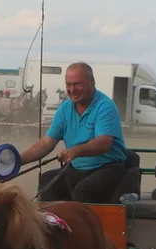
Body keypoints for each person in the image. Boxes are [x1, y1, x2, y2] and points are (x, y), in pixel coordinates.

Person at [18, 62, 130, 203]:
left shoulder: (105, 106)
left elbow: (103, 143)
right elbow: (46, 143)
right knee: (47, 182)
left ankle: (83, 224)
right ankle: (51, 223)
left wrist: (75, 151)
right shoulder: (65, 108)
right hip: (77, 168)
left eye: (77, 84)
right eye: (68, 85)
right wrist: (18, 161)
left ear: (92, 82)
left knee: (84, 191)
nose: (72, 90)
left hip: (108, 168)